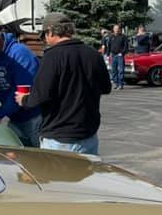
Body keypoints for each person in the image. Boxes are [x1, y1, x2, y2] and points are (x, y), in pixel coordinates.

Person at [14, 13, 111, 155]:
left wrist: (24, 99)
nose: (45, 40)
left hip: (59, 137)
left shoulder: (52, 56)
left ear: (50, 31)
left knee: (57, 171)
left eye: (44, 35)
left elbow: (41, 95)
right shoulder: (93, 54)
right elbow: (106, 88)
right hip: (88, 135)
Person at [107, 24, 128, 89]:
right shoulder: (111, 37)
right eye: (115, 28)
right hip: (113, 55)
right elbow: (109, 46)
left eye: (117, 28)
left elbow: (126, 46)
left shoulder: (123, 37)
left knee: (121, 70)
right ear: (113, 29)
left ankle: (121, 84)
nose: (116, 30)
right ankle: (116, 83)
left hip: (120, 56)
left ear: (119, 29)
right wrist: (108, 54)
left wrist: (122, 53)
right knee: (114, 70)